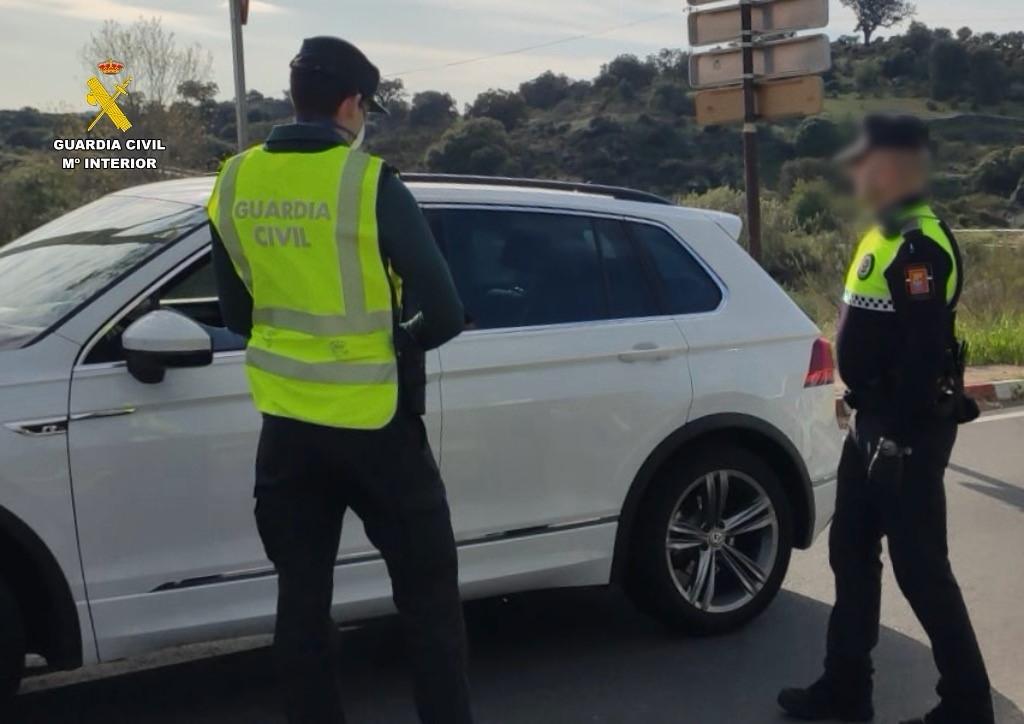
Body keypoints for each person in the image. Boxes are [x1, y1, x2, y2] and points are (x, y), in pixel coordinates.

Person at [207, 36, 474, 724]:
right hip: (376, 429)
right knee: (429, 606)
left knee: (300, 603)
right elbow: (444, 312)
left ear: (295, 96)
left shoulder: (235, 180)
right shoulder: (368, 183)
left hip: (288, 432)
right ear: (352, 105)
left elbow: (238, 312)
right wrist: (400, 343)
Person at [777, 114, 993, 724]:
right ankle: (846, 690)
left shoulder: (921, 243)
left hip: (905, 432)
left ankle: (968, 705)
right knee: (851, 552)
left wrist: (896, 437)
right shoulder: (886, 234)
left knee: (922, 571)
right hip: (871, 427)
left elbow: (924, 357)